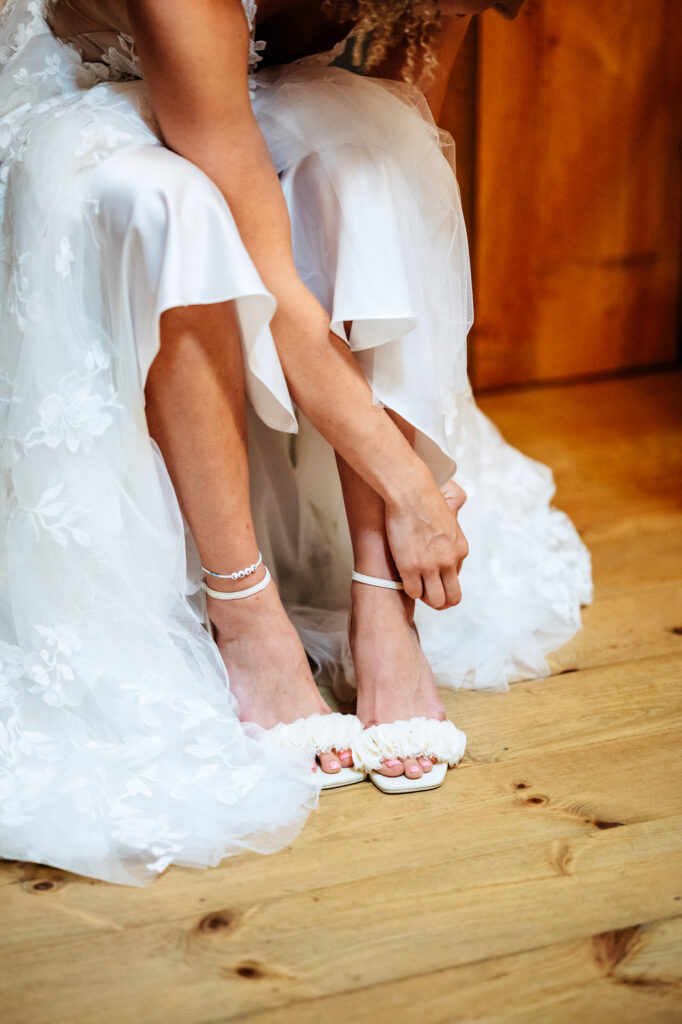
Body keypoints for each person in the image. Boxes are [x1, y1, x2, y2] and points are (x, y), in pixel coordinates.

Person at [0, 0, 591, 885]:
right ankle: (245, 615)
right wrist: (411, 487)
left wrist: (397, 499)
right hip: (89, 109)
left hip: (242, 108)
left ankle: (382, 599)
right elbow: (273, 282)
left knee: (374, 158)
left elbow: (406, 113)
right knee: (175, 209)